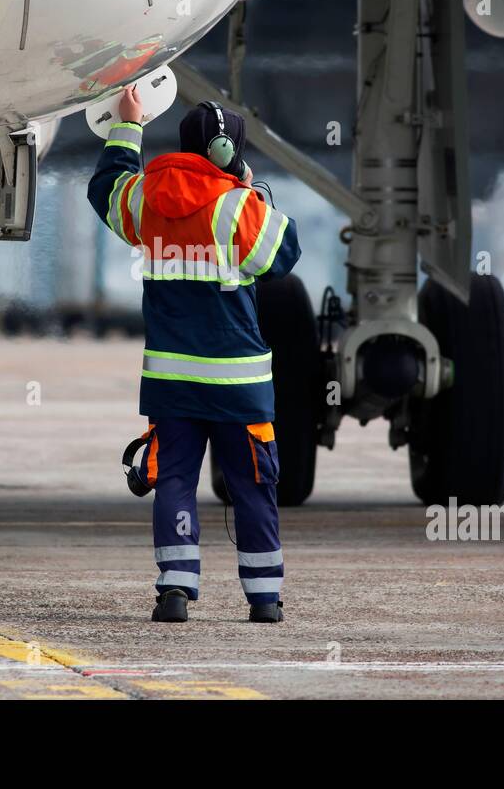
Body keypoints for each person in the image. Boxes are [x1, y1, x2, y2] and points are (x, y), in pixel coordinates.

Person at [87, 84, 301, 623]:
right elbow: (285, 254)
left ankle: (175, 591)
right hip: (240, 385)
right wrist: (252, 194)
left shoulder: (145, 198)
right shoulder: (237, 209)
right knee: (254, 486)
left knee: (175, 481)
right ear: (228, 153)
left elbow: (104, 187)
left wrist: (128, 125)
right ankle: (265, 599)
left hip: (172, 384)